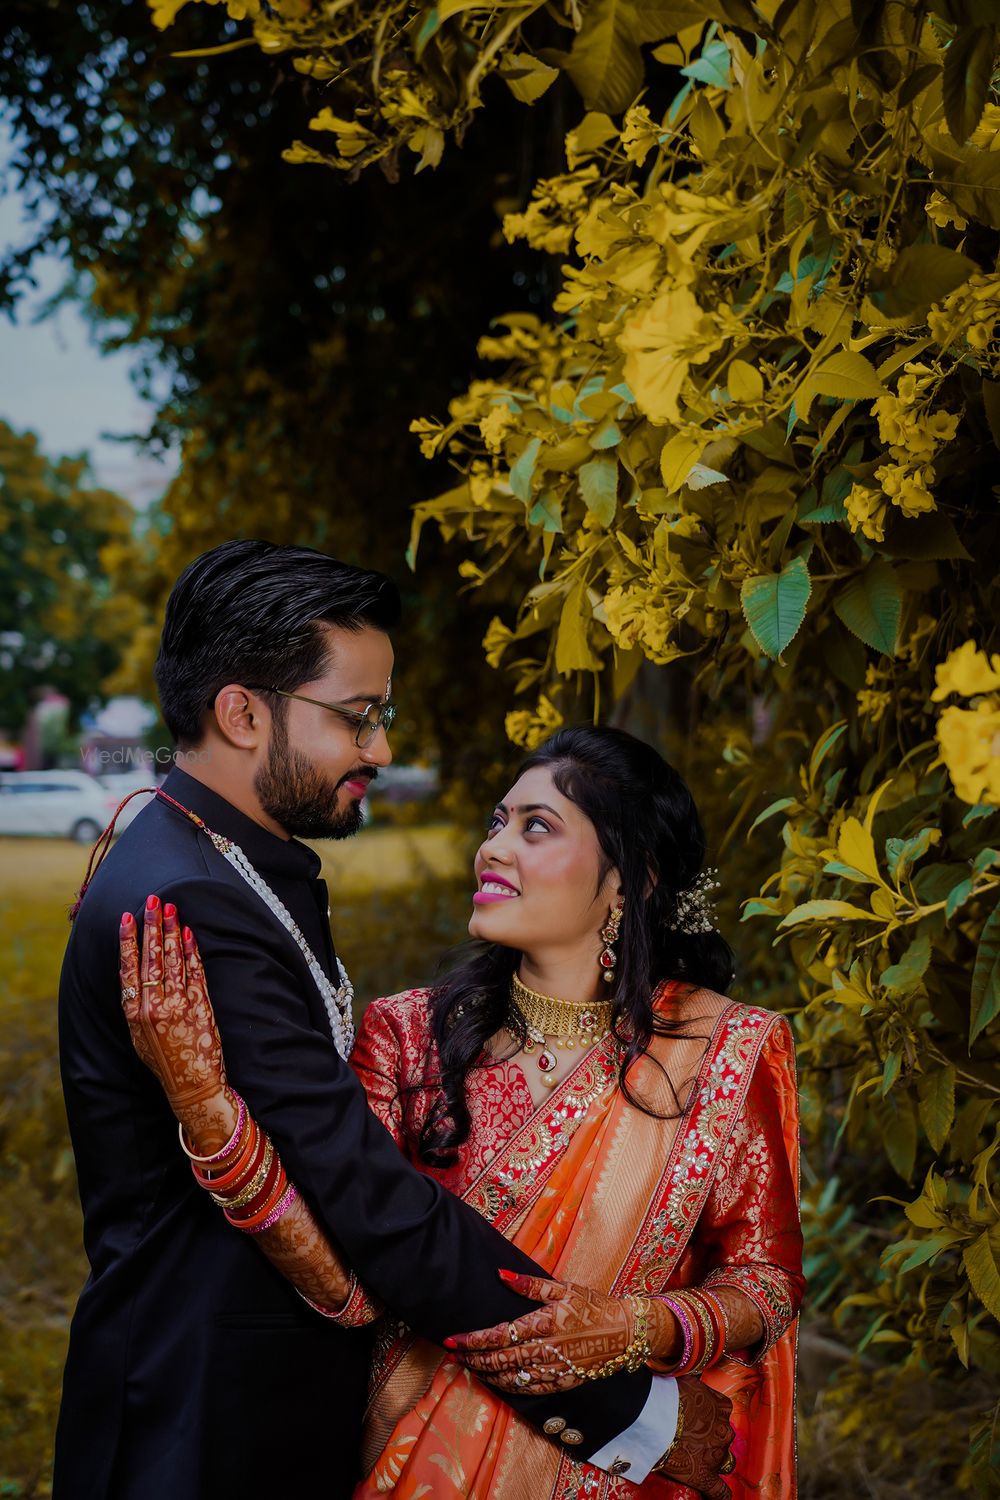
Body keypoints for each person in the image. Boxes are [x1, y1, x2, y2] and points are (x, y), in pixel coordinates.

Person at [55, 540, 729, 1500]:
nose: (380, 748)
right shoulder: (189, 904)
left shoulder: (229, 862)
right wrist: (632, 1408)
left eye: (384, 716)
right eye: (357, 717)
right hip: (200, 1413)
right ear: (243, 712)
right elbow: (366, 1197)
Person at [118, 720, 804, 1498]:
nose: (494, 848)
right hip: (413, 1457)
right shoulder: (406, 1034)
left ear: (631, 879)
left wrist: (633, 1327)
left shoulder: (727, 1051)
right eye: (496, 823)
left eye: (536, 827)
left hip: (617, 1473)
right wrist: (208, 1111)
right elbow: (348, 1285)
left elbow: (766, 1279)